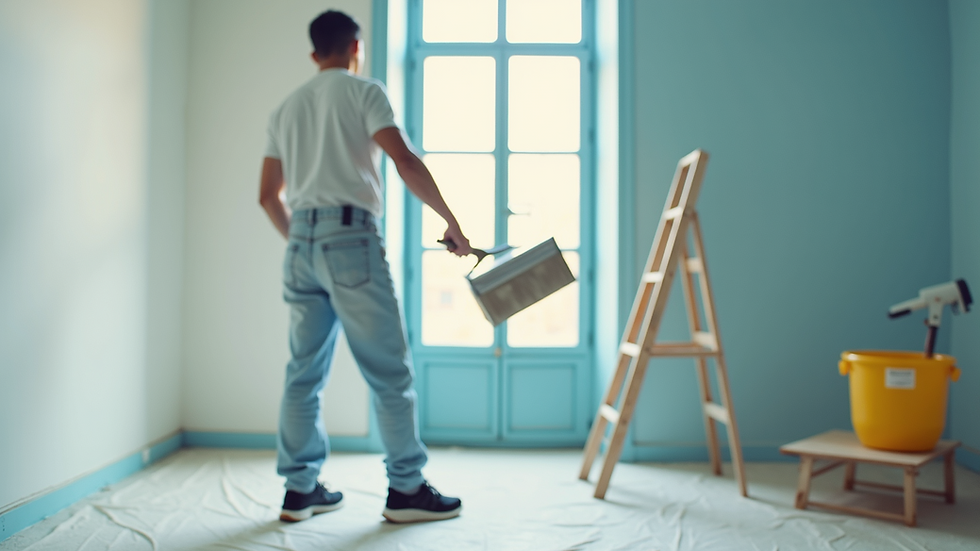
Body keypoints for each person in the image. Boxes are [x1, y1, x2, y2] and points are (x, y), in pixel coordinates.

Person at [258, 9, 472, 524]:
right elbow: (403, 160)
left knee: (302, 375)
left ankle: (299, 491)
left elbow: (268, 196)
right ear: (356, 48)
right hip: (350, 237)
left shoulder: (285, 110)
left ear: (314, 54)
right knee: (390, 372)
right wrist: (451, 220)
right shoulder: (363, 91)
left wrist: (305, 245)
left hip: (301, 240)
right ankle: (405, 490)